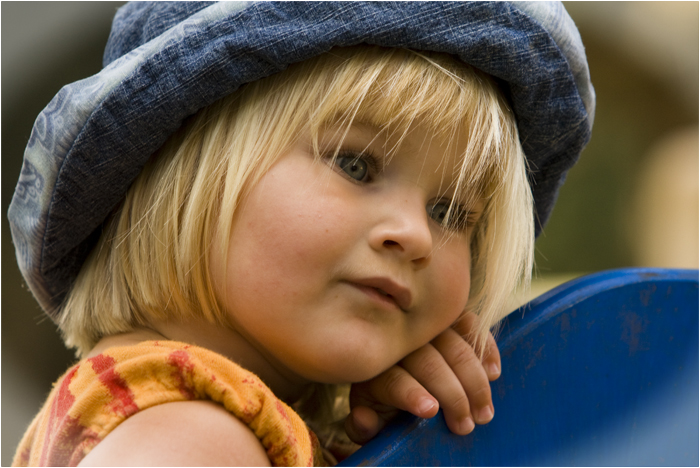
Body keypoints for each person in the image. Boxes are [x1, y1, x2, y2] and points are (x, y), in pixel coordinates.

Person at [9, 2, 594, 466]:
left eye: (450, 211)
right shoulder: (194, 437)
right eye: (355, 165)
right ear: (182, 170)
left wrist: (397, 448)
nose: (415, 234)